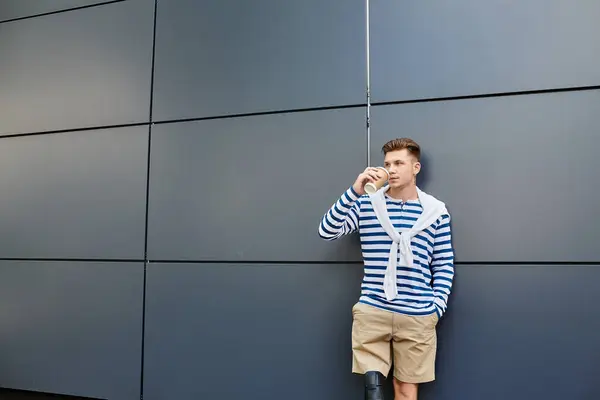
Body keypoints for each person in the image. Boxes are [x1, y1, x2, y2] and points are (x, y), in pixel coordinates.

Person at [318, 138, 455, 400]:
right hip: (374, 309)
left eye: (399, 163)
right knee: (373, 391)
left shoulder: (436, 212)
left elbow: (443, 262)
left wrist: (436, 307)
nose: (391, 169)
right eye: (387, 164)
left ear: (416, 167)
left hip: (417, 314)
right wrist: (354, 191)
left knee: (406, 391)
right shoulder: (366, 204)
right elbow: (327, 231)